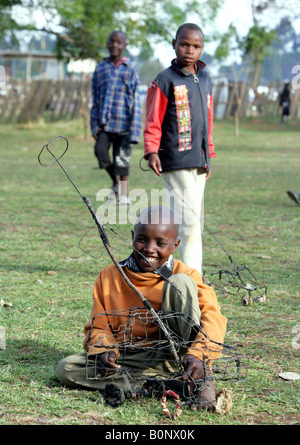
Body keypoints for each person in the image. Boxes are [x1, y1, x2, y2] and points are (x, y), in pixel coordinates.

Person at [57, 206, 227, 411]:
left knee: (180, 283)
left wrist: (198, 354)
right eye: (142, 239)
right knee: (67, 368)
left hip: (175, 358)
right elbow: (99, 325)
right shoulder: (110, 275)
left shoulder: (187, 274)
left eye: (160, 243)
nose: (149, 248)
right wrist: (104, 351)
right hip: (128, 359)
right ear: (132, 237)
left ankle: (195, 373)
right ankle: (158, 386)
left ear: (175, 245)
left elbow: (212, 317)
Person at [143, 23, 215, 275]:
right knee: (190, 223)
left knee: (190, 222)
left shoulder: (205, 77)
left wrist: (209, 152)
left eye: (196, 46)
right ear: (174, 44)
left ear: (202, 48)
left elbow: (208, 117)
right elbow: (153, 119)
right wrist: (152, 150)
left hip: (199, 159)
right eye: (184, 44)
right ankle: (193, 279)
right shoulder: (164, 80)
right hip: (175, 159)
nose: (190, 50)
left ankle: (167, 268)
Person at [90, 31, 142, 205]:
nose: (115, 45)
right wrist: (94, 124)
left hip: (124, 124)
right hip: (105, 124)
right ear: (107, 44)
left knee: (122, 160)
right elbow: (95, 99)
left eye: (119, 42)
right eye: (111, 41)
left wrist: (134, 131)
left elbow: (135, 100)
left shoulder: (131, 70)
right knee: (101, 153)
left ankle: (124, 194)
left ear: (124, 46)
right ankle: (115, 183)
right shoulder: (100, 69)